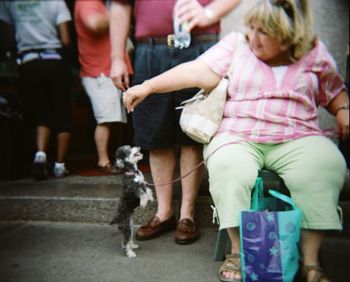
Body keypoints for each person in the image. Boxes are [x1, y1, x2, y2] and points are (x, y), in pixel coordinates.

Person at [123, 0, 349, 282]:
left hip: (298, 136)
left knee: (325, 163)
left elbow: (334, 91)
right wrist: (148, 86)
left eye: (263, 32)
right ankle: (237, 252)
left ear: (289, 34)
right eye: (251, 27)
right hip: (240, 135)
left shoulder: (312, 51)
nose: (252, 37)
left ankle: (311, 264)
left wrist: (344, 110)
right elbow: (195, 70)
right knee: (229, 165)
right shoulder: (236, 46)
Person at [110, 0, 242, 244]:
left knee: (195, 128)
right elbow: (120, 6)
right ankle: (164, 212)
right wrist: (117, 56)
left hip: (201, 47)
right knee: (154, 133)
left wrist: (209, 12)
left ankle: (187, 214)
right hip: (150, 49)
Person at [0, 0, 73, 180]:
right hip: (54, 59)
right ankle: (59, 166)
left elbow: (8, 34)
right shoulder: (57, 3)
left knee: (42, 112)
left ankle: (40, 155)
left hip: (28, 62)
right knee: (62, 111)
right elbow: (65, 39)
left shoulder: (12, 4)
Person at [75, 0, 133, 173]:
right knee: (106, 119)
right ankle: (103, 161)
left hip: (108, 70)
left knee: (116, 119)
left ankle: (116, 158)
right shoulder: (86, 2)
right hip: (99, 71)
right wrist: (118, 14)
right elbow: (95, 24)